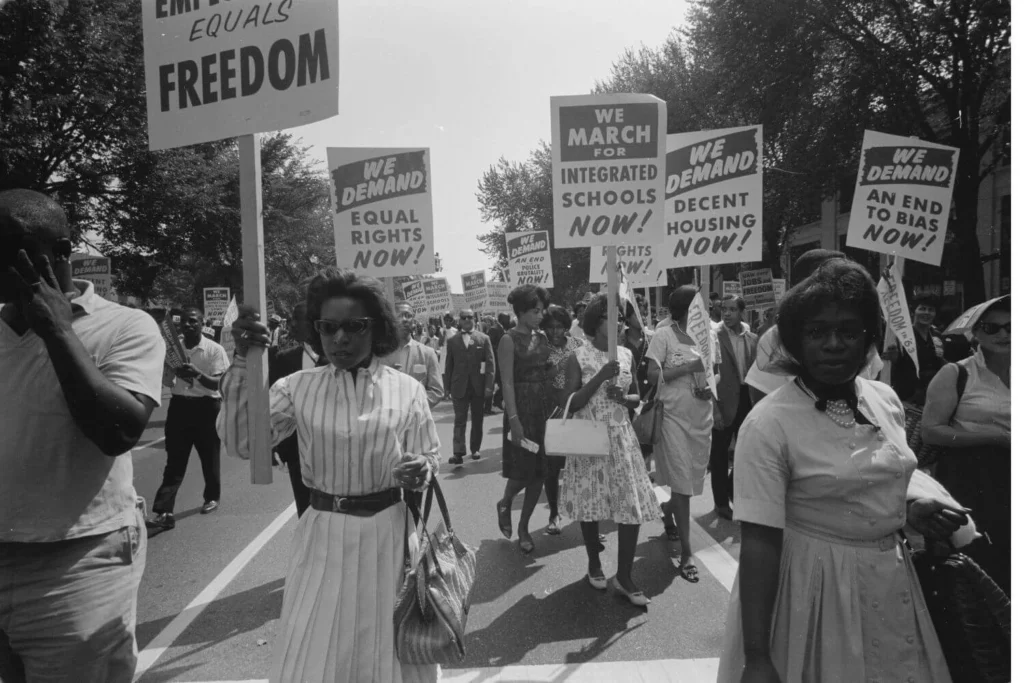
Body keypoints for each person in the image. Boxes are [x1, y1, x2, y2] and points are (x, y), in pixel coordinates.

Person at [717, 258, 965, 683]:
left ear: (869, 339)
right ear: (796, 340)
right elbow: (758, 542)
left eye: (848, 332)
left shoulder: (885, 400)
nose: (832, 344)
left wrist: (909, 512)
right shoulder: (768, 423)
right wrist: (757, 657)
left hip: (891, 582)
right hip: (813, 593)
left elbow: (875, 480)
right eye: (816, 332)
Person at [219, 268, 440, 683]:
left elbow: (428, 454)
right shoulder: (296, 387)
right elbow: (243, 443)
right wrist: (241, 362)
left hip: (389, 537)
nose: (340, 339)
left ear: (376, 328)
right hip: (323, 533)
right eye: (328, 327)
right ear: (315, 330)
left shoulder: (406, 390)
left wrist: (420, 470)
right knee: (314, 651)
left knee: (389, 654)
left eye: (354, 327)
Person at [0, 189, 164, 682]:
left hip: (77, 563)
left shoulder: (125, 327)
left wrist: (58, 332)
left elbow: (117, 431)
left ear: (62, 252)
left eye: (12, 249)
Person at [560, 294, 662, 605]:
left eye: (620, 315)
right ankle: (594, 562)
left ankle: (625, 576)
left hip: (622, 438)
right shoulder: (578, 356)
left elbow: (638, 399)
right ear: (596, 322)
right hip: (589, 437)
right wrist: (601, 378)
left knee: (629, 507)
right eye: (611, 316)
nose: (618, 322)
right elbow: (570, 403)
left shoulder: (626, 355)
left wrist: (624, 398)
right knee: (591, 504)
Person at [921, 295, 1011, 595]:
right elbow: (931, 431)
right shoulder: (957, 373)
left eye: (1011, 326)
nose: (1003, 334)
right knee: (984, 559)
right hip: (974, 475)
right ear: (976, 332)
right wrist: (994, 436)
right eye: (992, 327)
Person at [646, 286, 718, 583]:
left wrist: (708, 386)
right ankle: (688, 552)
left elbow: (717, 372)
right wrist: (688, 367)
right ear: (686, 307)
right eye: (699, 303)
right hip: (672, 418)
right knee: (682, 483)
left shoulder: (708, 337)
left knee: (687, 481)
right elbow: (652, 376)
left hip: (702, 419)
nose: (706, 307)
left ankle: (667, 510)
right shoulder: (663, 335)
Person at [745, 250, 884, 403]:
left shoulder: (859, 331)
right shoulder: (777, 337)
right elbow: (760, 394)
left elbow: (872, 374)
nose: (834, 345)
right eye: (816, 333)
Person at [147, 305, 230, 530]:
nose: (188, 325)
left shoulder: (214, 350)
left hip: (207, 408)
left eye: (194, 321)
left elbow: (219, 384)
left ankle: (212, 496)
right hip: (179, 408)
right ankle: (164, 511)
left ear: (202, 324)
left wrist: (196, 374)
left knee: (209, 457)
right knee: (174, 461)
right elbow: (165, 382)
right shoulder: (172, 351)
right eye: (184, 321)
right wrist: (171, 372)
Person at [496, 284, 551, 554]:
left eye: (542, 311)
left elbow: (553, 370)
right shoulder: (508, 340)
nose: (540, 316)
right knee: (522, 471)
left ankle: (524, 527)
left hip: (543, 413)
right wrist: (514, 419)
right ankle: (506, 501)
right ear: (520, 312)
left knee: (540, 473)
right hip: (521, 412)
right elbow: (506, 382)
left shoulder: (542, 339)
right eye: (534, 311)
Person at [268, 302, 322, 518]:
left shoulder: (340, 358)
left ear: (310, 323)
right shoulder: (284, 359)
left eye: (294, 319)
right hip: (298, 451)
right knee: (306, 511)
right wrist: (274, 444)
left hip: (335, 449)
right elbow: (273, 407)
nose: (289, 324)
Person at [708, 295, 757, 520]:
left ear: (741, 312)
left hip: (748, 399)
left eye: (731, 310)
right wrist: (714, 408)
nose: (726, 313)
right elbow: (708, 374)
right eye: (723, 309)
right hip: (723, 401)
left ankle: (731, 488)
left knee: (747, 452)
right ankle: (720, 503)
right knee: (719, 454)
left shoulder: (752, 338)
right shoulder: (713, 337)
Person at [540, 305, 583, 534]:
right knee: (552, 467)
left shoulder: (578, 345)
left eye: (560, 327)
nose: (555, 332)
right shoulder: (540, 348)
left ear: (567, 327)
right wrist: (557, 368)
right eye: (550, 327)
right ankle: (554, 513)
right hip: (552, 412)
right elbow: (539, 379)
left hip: (577, 410)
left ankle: (584, 516)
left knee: (579, 464)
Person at [444, 307, 495, 465]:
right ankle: (458, 452)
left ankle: (475, 449)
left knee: (477, 419)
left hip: (478, 386)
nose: (467, 320)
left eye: (470, 317)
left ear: (474, 319)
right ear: (459, 320)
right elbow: (448, 366)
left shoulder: (484, 338)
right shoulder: (452, 341)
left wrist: (489, 386)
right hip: (459, 386)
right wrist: (446, 387)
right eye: (464, 317)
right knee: (459, 419)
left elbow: (490, 364)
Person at [885, 295, 947, 404]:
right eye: (922, 309)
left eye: (931, 310)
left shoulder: (937, 335)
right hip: (907, 397)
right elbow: (894, 363)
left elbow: (940, 362)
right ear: (913, 311)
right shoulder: (902, 335)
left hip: (933, 395)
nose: (926, 313)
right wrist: (894, 359)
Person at [383, 301, 444, 408]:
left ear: (414, 321)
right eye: (399, 316)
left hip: (417, 419)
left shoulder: (427, 354)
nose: (404, 320)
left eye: (408, 316)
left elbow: (437, 391)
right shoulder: (380, 354)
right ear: (391, 320)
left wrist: (413, 407)